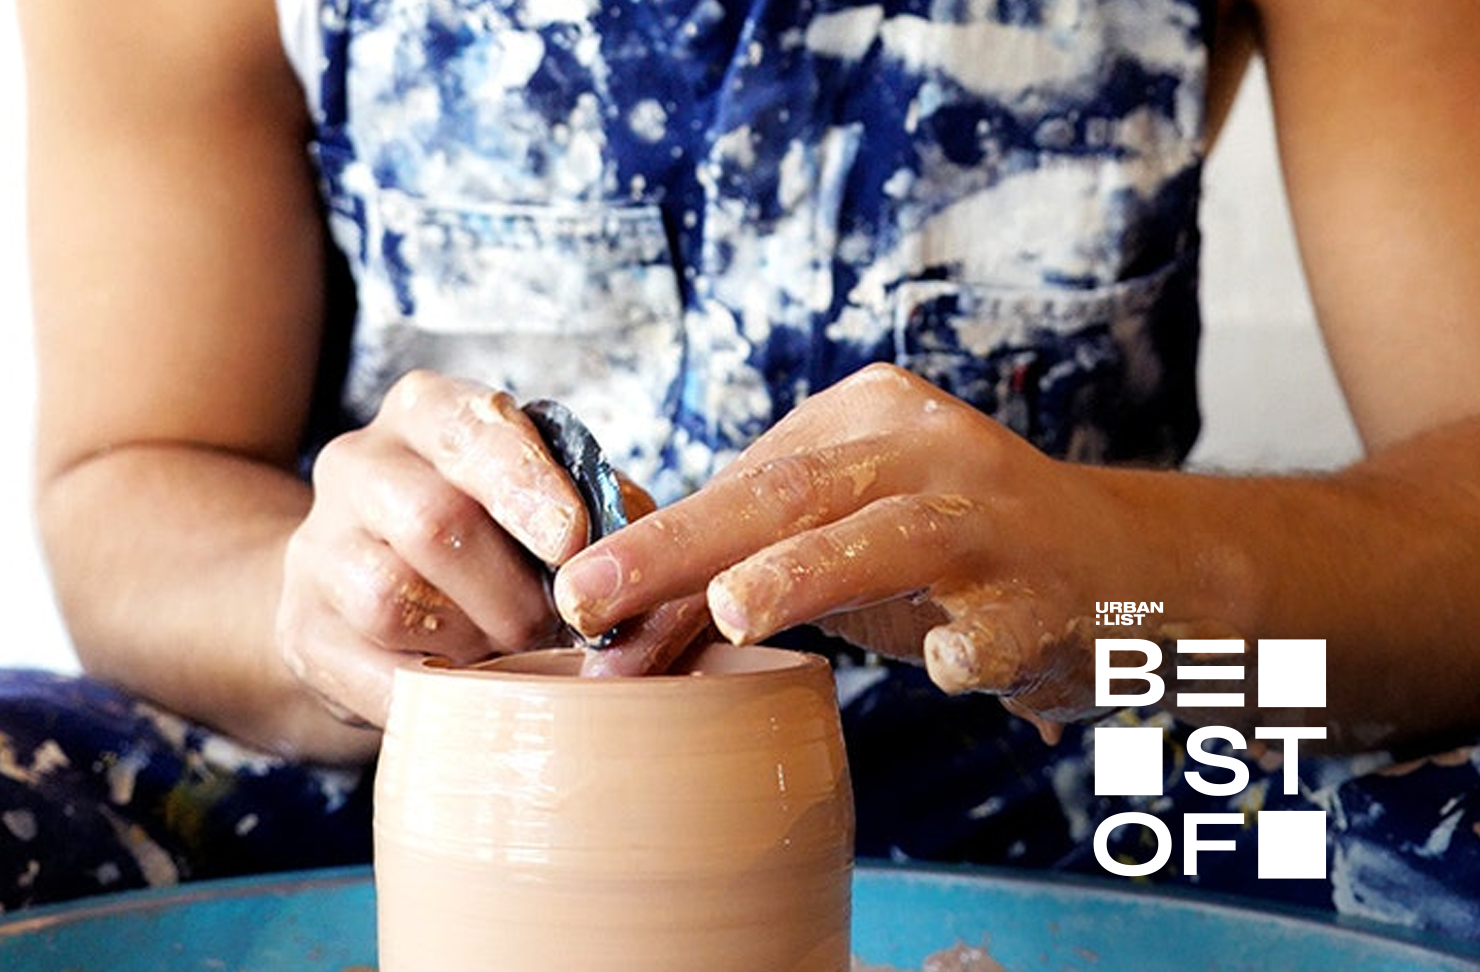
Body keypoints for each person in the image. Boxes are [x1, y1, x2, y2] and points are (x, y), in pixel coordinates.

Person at [9, 0, 1480, 942]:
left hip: (1083, 736)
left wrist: (1154, 578)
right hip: (435, 772)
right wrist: (321, 610)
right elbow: (132, 474)